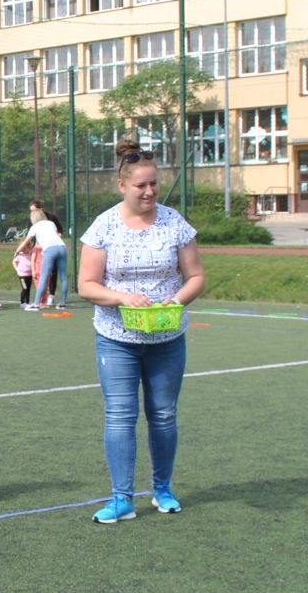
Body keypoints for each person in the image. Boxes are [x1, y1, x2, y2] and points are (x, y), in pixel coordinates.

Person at [77, 140, 205, 524]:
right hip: (116, 340)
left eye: (154, 184)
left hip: (167, 339)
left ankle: (162, 490)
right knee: (120, 416)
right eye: (141, 186)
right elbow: (87, 285)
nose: (149, 192)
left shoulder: (174, 222)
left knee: (163, 415)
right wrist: (122, 298)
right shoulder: (104, 226)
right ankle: (122, 498)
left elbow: (195, 276)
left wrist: (175, 302)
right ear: (122, 186)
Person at [20, 203, 67, 308]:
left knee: (43, 277)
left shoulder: (34, 226)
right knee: (63, 277)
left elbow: (25, 242)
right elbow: (56, 234)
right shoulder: (51, 223)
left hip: (50, 249)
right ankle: (62, 303)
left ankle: (36, 304)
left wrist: (17, 252)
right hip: (62, 247)